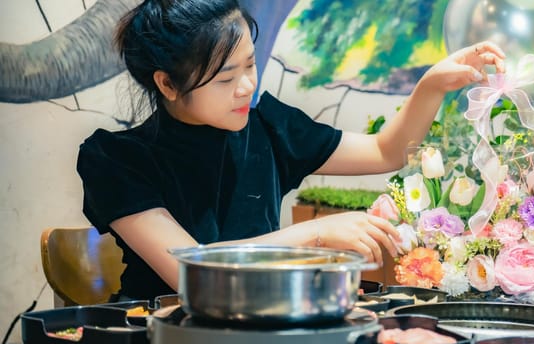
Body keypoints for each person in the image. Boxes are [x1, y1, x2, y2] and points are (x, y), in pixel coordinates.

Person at [77, 0, 506, 302]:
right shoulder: (115, 160)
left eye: (250, 64)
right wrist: (315, 235)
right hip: (167, 338)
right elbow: (193, 276)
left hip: (266, 323)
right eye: (226, 79)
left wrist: (431, 84)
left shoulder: (267, 125)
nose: (246, 86)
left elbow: (384, 151)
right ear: (167, 84)